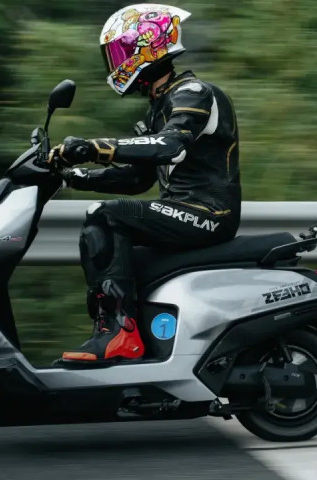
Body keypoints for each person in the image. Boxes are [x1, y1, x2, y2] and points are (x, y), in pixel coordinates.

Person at [50, 4, 241, 363]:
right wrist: (75, 178)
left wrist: (95, 147)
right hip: (183, 211)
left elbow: (169, 146)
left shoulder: (194, 92)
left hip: (208, 212)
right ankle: (142, 343)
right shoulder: (160, 106)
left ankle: (119, 336)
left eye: (120, 53)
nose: (116, 63)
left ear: (149, 47)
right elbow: (138, 179)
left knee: (105, 216)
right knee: (111, 246)